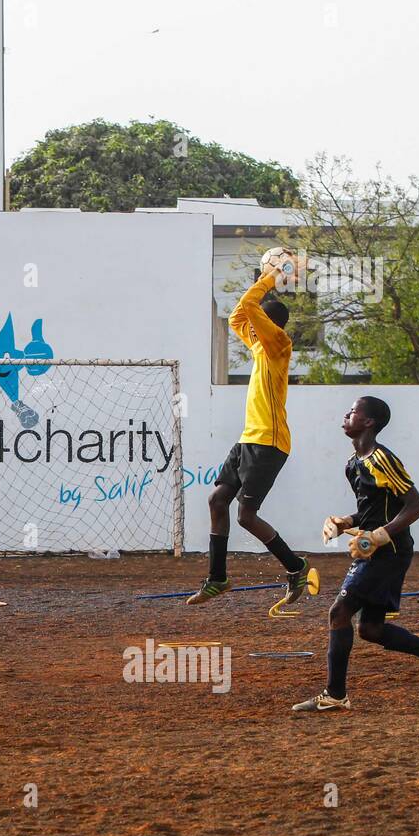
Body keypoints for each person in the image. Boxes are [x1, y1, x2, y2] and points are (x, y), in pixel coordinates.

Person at [293, 396, 419, 712]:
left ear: (369, 422)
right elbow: (373, 511)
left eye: (354, 410)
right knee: (370, 630)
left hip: (390, 552)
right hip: (375, 550)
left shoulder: (381, 459)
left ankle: (335, 695)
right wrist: (345, 522)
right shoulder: (354, 463)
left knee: (339, 612)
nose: (347, 413)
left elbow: (416, 506)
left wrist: (377, 537)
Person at [188, 256, 309, 606]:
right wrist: (267, 282)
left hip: (269, 443)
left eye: (259, 324)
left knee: (245, 516)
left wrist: (270, 278)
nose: (250, 330)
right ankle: (217, 578)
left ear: (270, 324)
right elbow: (240, 317)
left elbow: (246, 306)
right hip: (248, 440)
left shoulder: (278, 344)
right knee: (217, 500)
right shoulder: (260, 346)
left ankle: (296, 566)